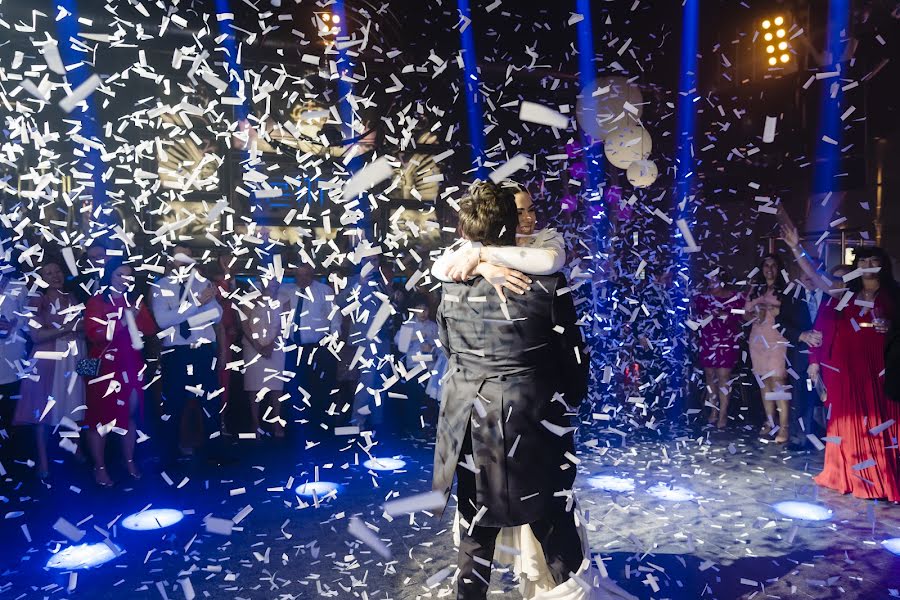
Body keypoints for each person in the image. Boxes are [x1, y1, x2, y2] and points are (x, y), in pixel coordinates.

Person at [432, 180, 590, 599]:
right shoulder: (548, 286)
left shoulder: (451, 282)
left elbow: (450, 347)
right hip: (530, 418)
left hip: (467, 418)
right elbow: (572, 355)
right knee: (551, 520)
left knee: (474, 528)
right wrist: (572, 396)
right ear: (509, 226)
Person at [784, 233, 900, 500]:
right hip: (848, 369)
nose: (869, 263)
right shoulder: (844, 295)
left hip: (881, 366)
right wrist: (796, 247)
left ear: (882, 264)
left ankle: (880, 478)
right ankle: (847, 473)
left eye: (874, 259)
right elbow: (816, 278)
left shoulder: (895, 295)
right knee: (848, 422)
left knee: (878, 420)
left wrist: (891, 327)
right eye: (864, 260)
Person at [83, 258, 157, 486]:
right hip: (104, 365)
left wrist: (136, 317)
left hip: (131, 363)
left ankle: (129, 460)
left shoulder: (135, 301)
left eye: (128, 276)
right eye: (119, 275)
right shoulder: (96, 302)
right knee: (100, 419)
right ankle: (100, 466)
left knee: (129, 414)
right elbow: (94, 333)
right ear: (109, 277)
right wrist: (125, 321)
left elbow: (150, 329)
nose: (124, 280)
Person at [14, 257, 86, 479]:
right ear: (41, 278)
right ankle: (43, 461)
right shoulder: (37, 300)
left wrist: (78, 331)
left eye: (57, 271)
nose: (55, 276)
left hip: (73, 358)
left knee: (72, 408)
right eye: (49, 273)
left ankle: (74, 449)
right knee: (43, 413)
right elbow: (36, 335)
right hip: (48, 360)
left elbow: (82, 328)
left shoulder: (72, 296)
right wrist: (66, 328)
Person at [431, 180, 564, 300]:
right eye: (519, 212)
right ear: (505, 214)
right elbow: (439, 268)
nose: (528, 218)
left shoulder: (546, 237)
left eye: (531, 210)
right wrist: (482, 268)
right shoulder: (481, 241)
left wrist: (481, 254)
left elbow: (550, 262)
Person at [151, 245, 223, 463]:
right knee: (174, 401)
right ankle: (170, 453)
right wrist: (197, 304)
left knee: (210, 400)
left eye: (188, 255)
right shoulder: (160, 286)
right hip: (176, 351)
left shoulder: (202, 283)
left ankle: (215, 452)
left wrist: (188, 318)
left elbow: (217, 316)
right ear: (171, 260)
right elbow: (163, 321)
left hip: (202, 348)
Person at [743, 254, 816, 444]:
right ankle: (770, 421)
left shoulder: (786, 289)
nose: (769, 269)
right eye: (766, 265)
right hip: (758, 338)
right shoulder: (755, 289)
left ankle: (784, 425)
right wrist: (753, 314)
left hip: (777, 338)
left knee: (778, 380)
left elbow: (791, 314)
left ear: (779, 268)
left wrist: (774, 310)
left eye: (773, 265)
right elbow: (744, 314)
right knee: (763, 380)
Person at [281, 260, 342, 436]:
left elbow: (335, 319)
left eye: (305, 274)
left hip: (319, 347)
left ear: (312, 274)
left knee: (321, 388)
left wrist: (332, 344)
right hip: (294, 347)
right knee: (297, 387)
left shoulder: (325, 291)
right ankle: (299, 427)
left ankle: (322, 426)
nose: (302, 279)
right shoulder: (286, 291)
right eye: (298, 275)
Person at [693, 269, 744, 428]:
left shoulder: (734, 296)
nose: (711, 283)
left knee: (723, 377)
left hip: (727, 341)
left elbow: (741, 314)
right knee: (710, 376)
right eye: (709, 280)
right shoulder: (703, 298)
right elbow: (696, 318)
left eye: (715, 279)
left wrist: (723, 313)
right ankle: (713, 411)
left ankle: (723, 413)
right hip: (708, 340)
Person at [241, 276, 288, 438]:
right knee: (254, 386)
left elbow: (285, 324)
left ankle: (276, 423)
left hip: (276, 346)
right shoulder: (250, 298)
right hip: (252, 346)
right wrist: (257, 345)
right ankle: (255, 424)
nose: (271, 284)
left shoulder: (284, 299)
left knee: (276, 386)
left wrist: (271, 345)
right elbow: (244, 323)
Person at [394, 295, 440, 430]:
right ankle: (413, 428)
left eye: (425, 310)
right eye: (419, 310)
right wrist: (416, 337)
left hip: (431, 368)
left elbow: (441, 346)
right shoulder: (408, 325)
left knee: (430, 399)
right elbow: (400, 344)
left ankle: (430, 427)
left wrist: (431, 348)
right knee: (413, 399)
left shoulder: (433, 326)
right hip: (414, 367)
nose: (422, 313)